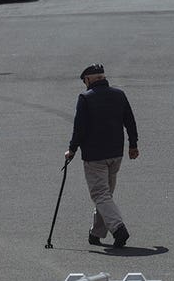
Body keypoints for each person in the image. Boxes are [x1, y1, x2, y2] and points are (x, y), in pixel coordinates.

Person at [64, 63, 139, 248]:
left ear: (89, 79)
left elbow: (79, 129)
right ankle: (96, 233)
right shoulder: (119, 95)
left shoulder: (85, 98)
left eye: (85, 81)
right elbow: (130, 120)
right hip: (116, 154)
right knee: (105, 194)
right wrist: (133, 145)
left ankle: (118, 228)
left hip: (95, 156)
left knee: (100, 194)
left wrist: (72, 149)